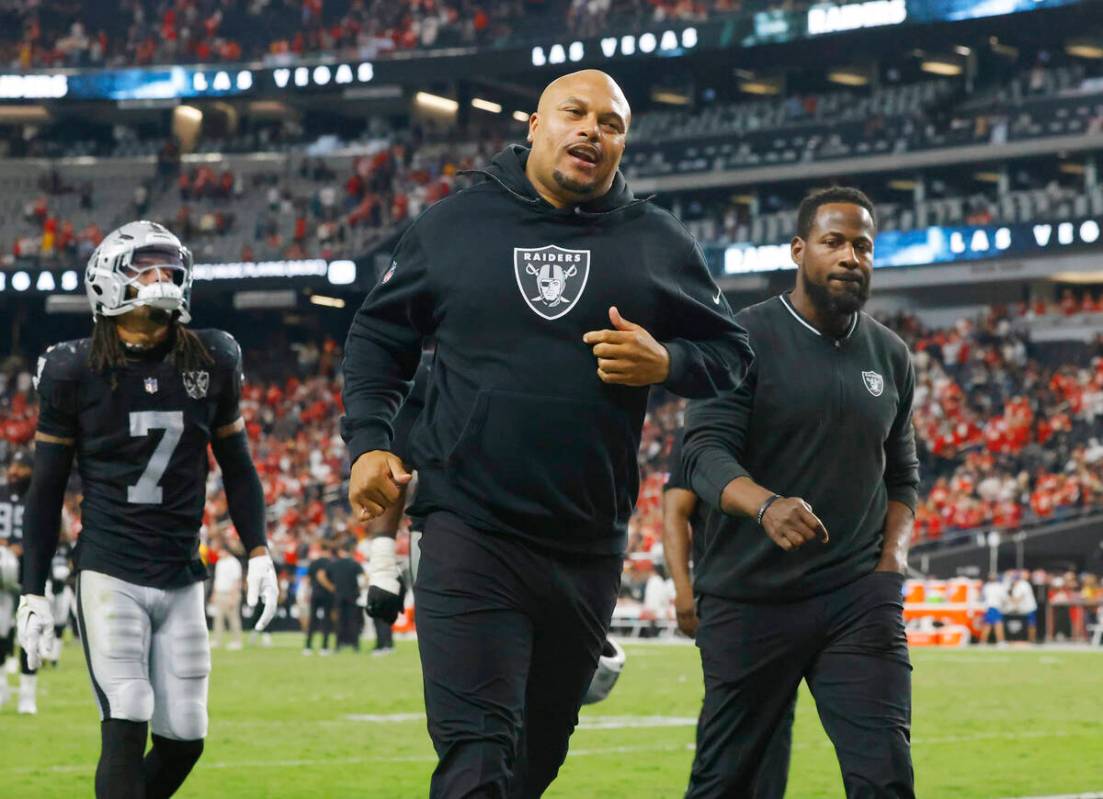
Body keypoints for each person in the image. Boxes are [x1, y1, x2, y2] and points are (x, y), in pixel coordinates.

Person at [342, 69, 752, 797]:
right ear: (535, 124)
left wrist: (668, 359)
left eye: (612, 122)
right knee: (476, 756)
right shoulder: (452, 224)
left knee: (533, 761)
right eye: (574, 112)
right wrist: (371, 438)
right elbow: (378, 338)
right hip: (469, 526)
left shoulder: (655, 241)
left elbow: (733, 357)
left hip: (586, 541)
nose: (592, 129)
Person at [16, 220, 280, 799]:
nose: (162, 278)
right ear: (107, 282)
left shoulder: (212, 355)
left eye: (169, 266)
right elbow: (46, 489)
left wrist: (259, 548)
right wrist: (33, 590)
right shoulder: (73, 367)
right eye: (146, 267)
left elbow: (238, 465)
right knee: (128, 710)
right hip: (111, 568)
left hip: (182, 571)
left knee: (186, 736)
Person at [682, 187, 920, 798]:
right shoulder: (741, 339)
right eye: (833, 242)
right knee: (728, 782)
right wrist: (764, 504)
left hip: (856, 597)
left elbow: (903, 475)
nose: (850, 257)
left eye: (862, 245)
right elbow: (702, 454)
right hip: (750, 596)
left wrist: (891, 562)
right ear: (798, 249)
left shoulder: (891, 355)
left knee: (885, 771)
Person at [662, 432, 795, 798]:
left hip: (785, 596)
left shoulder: (785, 425)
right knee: (726, 727)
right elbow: (675, 509)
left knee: (776, 724)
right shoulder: (706, 427)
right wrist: (683, 590)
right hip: (728, 598)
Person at [0, 449, 40, 714]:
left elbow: (52, 531)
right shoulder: (1, 492)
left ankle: (28, 694)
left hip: (30, 569)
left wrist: (25, 546)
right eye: (13, 467)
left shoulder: (39, 495)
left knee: (30, 631)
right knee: (1, 630)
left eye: (20, 468)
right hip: (1, 567)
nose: (14, 472)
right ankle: (1, 683)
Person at [328, 541, 363, 652]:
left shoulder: (334, 564)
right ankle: (355, 645)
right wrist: (359, 588)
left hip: (339, 596)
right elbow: (364, 577)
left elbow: (324, 575)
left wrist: (331, 587)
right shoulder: (354, 563)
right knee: (353, 621)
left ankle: (339, 644)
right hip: (352, 596)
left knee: (340, 621)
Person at [303, 542, 336, 656]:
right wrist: (331, 587)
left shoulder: (314, 562)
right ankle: (324, 647)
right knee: (327, 620)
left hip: (315, 593)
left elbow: (307, 579)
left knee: (313, 620)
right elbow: (320, 575)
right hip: (326, 595)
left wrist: (306, 593)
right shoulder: (330, 563)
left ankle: (308, 646)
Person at [209, 546, 244, 650]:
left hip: (230, 594)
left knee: (233, 618)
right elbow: (217, 580)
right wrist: (214, 594)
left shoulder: (234, 563)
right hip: (220, 593)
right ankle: (216, 640)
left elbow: (236, 581)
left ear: (227, 551)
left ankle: (237, 641)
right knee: (218, 619)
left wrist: (233, 597)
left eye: (221, 551)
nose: (219, 553)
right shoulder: (220, 563)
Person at [1007, 570, 1038, 644]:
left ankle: (1032, 641)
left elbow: (1018, 599)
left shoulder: (1023, 584)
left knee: (1031, 624)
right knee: (1025, 625)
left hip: (1029, 608)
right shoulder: (1015, 587)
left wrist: (1008, 596)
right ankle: (1025, 640)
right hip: (1023, 610)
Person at [979, 572, 1008, 645]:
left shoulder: (987, 586)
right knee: (998, 625)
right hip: (995, 607)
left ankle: (983, 642)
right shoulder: (999, 586)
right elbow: (1004, 598)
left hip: (988, 608)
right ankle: (1000, 642)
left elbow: (982, 597)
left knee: (988, 625)